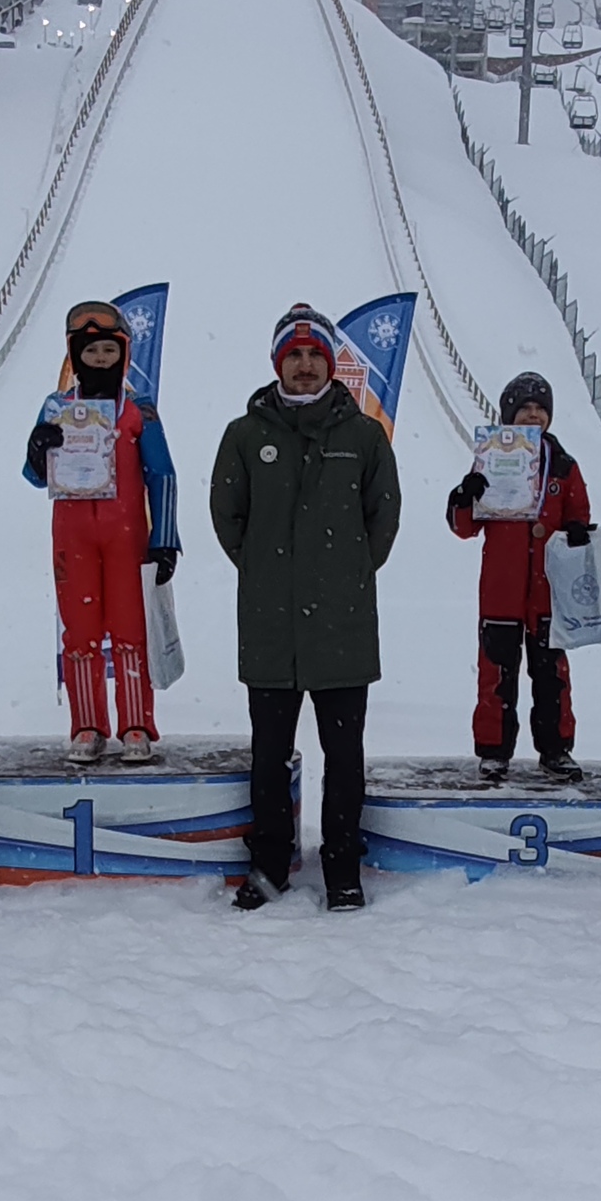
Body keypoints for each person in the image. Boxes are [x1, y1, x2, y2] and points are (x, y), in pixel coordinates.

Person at [210, 303, 401, 912]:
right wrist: (268, 572)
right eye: (293, 355)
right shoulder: (246, 435)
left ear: (330, 363)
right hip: (270, 625)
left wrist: (345, 573)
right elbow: (228, 516)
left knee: (344, 757)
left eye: (314, 354)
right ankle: (270, 866)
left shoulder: (363, 436)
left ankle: (343, 867)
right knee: (268, 757)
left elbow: (383, 518)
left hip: (343, 625)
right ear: (277, 363)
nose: (304, 365)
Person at [24, 301, 180, 764]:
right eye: (90, 350)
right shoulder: (57, 407)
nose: (99, 359)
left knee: (131, 630)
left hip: (126, 537)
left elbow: (162, 475)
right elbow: (34, 476)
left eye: (109, 350)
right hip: (73, 537)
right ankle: (87, 725)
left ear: (123, 354)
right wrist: (38, 448)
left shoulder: (138, 412)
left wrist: (165, 538)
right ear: (75, 354)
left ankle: (136, 725)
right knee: (80, 632)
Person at [446, 371, 591, 782]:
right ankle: (494, 751)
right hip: (502, 591)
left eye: (540, 408)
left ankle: (556, 749)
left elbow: (580, 513)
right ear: (508, 416)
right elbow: (464, 527)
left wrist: (577, 530)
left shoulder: (563, 466)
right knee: (496, 675)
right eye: (524, 408)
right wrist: (465, 495)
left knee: (552, 677)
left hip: (549, 593)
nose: (532, 415)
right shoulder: (491, 460)